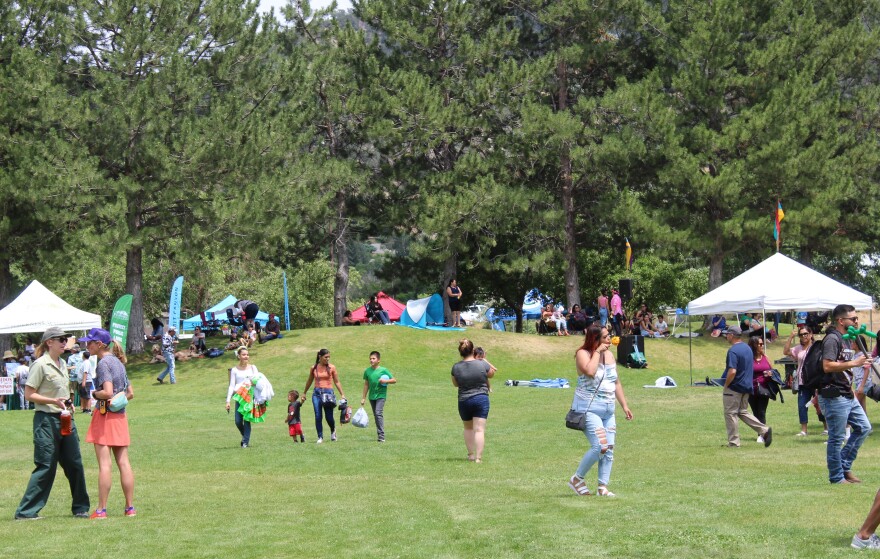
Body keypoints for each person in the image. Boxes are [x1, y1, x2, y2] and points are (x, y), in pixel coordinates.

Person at [14, 326, 90, 520]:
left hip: (65, 419)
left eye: (66, 339)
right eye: (61, 339)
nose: (65, 342)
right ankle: (26, 512)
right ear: (50, 342)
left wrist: (68, 402)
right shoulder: (40, 365)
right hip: (46, 421)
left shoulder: (63, 363)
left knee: (75, 463)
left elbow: (62, 391)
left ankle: (81, 508)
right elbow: (30, 395)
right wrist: (53, 401)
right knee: (46, 465)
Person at [567, 324, 633, 498]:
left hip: (608, 410)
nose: (609, 340)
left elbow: (615, 382)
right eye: (605, 337)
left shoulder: (610, 355)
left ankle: (602, 487)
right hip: (589, 409)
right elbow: (589, 371)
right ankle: (577, 478)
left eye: (609, 336)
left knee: (609, 448)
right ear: (595, 339)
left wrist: (624, 405)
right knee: (600, 446)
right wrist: (597, 352)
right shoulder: (583, 353)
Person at [80, 328, 136, 519]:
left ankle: (101, 510)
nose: (87, 345)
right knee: (124, 463)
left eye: (90, 342)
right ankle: (130, 508)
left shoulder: (103, 363)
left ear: (100, 344)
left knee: (105, 465)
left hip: (105, 418)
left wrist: (93, 394)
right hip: (120, 417)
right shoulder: (119, 363)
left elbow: (107, 392)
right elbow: (130, 393)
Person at [819, 304, 871, 484]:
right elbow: (827, 366)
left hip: (847, 394)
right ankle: (836, 477)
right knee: (837, 437)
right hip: (833, 395)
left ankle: (844, 466)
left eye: (857, 318)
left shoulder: (848, 339)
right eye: (853, 319)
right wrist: (854, 364)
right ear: (841, 321)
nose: (857, 322)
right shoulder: (832, 339)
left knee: (864, 428)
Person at [721, 326, 772, 448]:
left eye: (727, 334)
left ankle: (734, 442)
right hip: (747, 386)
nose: (726, 336)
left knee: (730, 413)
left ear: (732, 335)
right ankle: (764, 430)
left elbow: (732, 371)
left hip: (734, 387)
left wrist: (726, 385)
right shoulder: (747, 349)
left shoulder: (733, 351)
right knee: (742, 411)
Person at [451, 339, 493, 463]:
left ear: (461, 352)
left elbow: (455, 384)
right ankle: (478, 458)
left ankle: (470, 455)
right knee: (479, 429)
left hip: (464, 400)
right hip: (481, 398)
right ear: (473, 350)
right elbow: (491, 374)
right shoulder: (481, 364)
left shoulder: (456, 367)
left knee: (468, 428)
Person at [302, 349, 347, 443]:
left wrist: (342, 394)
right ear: (320, 357)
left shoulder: (332, 367)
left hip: (328, 393)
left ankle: (333, 431)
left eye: (329, 357)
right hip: (316, 393)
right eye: (326, 357)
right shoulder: (314, 368)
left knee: (329, 416)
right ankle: (320, 437)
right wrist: (304, 393)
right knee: (318, 415)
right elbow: (309, 380)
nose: (328, 359)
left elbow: (337, 381)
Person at [225, 347, 261, 448]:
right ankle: (245, 436)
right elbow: (231, 386)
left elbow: (258, 381)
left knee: (247, 419)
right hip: (239, 397)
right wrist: (228, 401)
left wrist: (251, 384)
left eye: (247, 354)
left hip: (249, 397)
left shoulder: (253, 368)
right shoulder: (234, 370)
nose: (246, 356)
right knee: (237, 421)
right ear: (239, 356)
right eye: (244, 355)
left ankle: (245, 442)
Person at [785, 327, 816, 436]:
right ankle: (804, 430)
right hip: (803, 382)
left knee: (821, 405)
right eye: (801, 334)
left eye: (806, 334)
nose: (804, 336)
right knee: (802, 405)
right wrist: (790, 337)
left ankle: (826, 428)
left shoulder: (816, 347)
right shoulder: (799, 349)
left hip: (816, 381)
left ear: (811, 334)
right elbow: (786, 351)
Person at [361, 351, 397, 443]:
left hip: (381, 395)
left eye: (373, 358)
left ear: (378, 360)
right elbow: (366, 385)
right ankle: (379, 435)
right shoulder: (367, 371)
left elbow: (394, 380)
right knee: (376, 415)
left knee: (378, 413)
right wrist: (363, 397)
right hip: (371, 396)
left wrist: (385, 381)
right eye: (370, 358)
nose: (371, 360)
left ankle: (381, 436)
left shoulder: (383, 370)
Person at [747, 336, 773, 440]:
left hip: (764, 389)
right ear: (754, 345)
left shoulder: (765, 357)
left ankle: (762, 435)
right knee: (755, 412)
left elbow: (772, 370)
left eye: (762, 344)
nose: (762, 346)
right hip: (752, 389)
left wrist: (770, 373)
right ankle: (761, 431)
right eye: (759, 344)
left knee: (762, 411)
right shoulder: (749, 359)